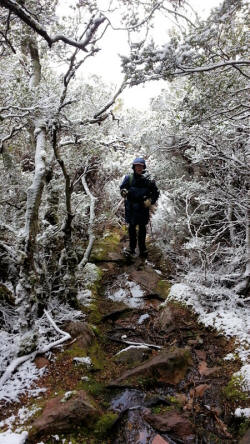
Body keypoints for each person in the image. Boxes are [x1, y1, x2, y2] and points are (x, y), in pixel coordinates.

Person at [120, 157, 159, 258]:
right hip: (131, 207)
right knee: (132, 228)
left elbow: (155, 193)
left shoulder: (148, 180)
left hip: (142, 208)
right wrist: (124, 192)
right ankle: (131, 248)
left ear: (143, 167)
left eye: (141, 166)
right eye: (137, 166)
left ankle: (143, 249)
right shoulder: (129, 178)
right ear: (134, 167)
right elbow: (122, 188)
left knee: (142, 229)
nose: (139, 168)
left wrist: (150, 201)